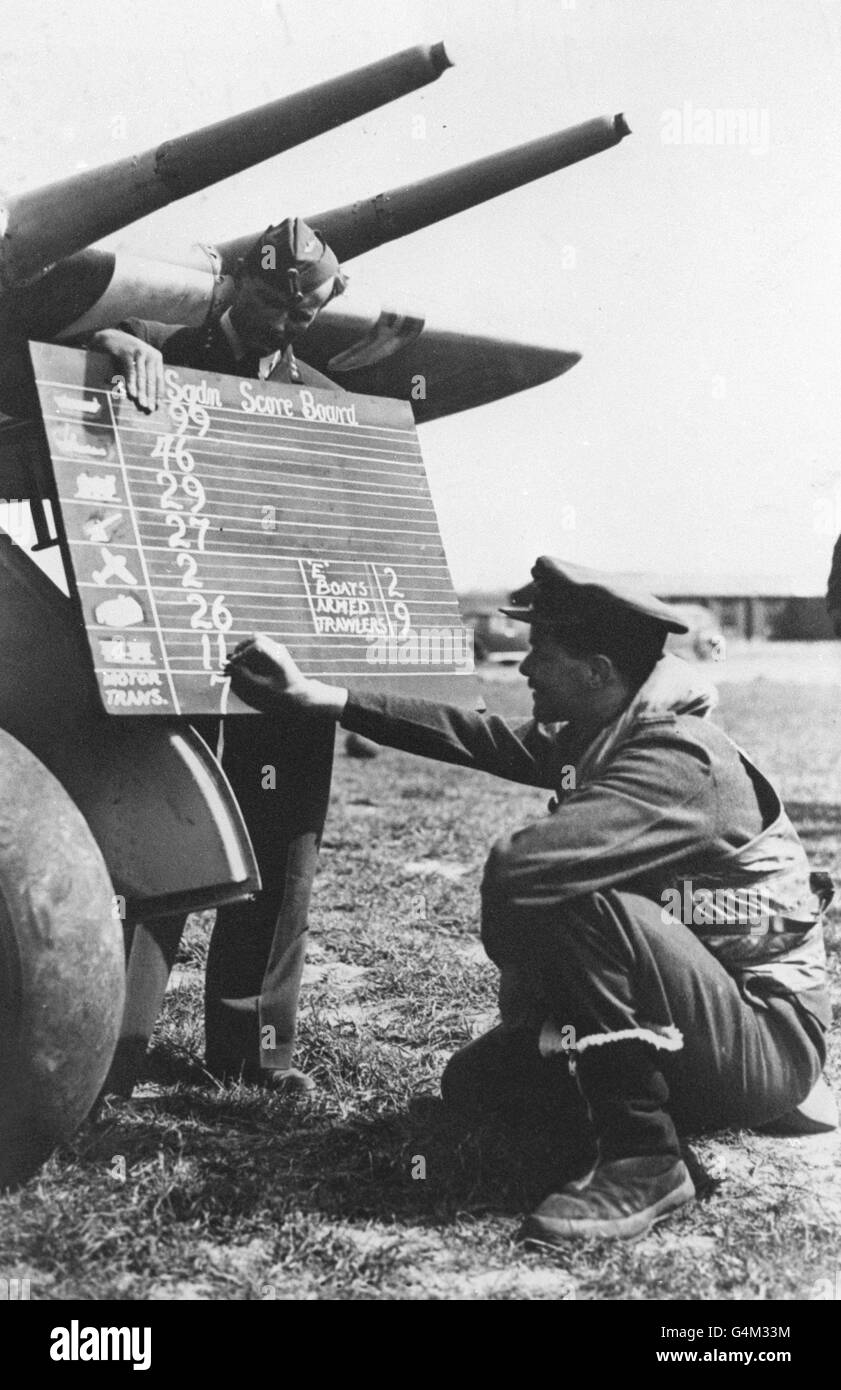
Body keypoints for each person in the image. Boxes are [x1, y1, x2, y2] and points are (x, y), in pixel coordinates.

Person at [224, 556, 836, 1242]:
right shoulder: (617, 730)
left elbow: (521, 873)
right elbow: (483, 736)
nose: (521, 669)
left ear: (596, 671)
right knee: (477, 1085)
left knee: (573, 900)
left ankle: (645, 1159)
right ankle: (643, 1094)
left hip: (767, 1040)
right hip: (710, 1015)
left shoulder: (676, 758)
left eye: (538, 654)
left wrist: (533, 990)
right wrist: (322, 698)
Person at [88, 218, 347, 1095]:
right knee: (156, 830)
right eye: (274, 299)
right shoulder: (152, 347)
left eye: (303, 313)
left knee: (284, 852)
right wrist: (109, 343)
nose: (284, 322)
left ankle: (254, 1052)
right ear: (238, 280)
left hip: (277, 651)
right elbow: (42, 355)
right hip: (168, 639)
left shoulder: (321, 396)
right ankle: (113, 1048)